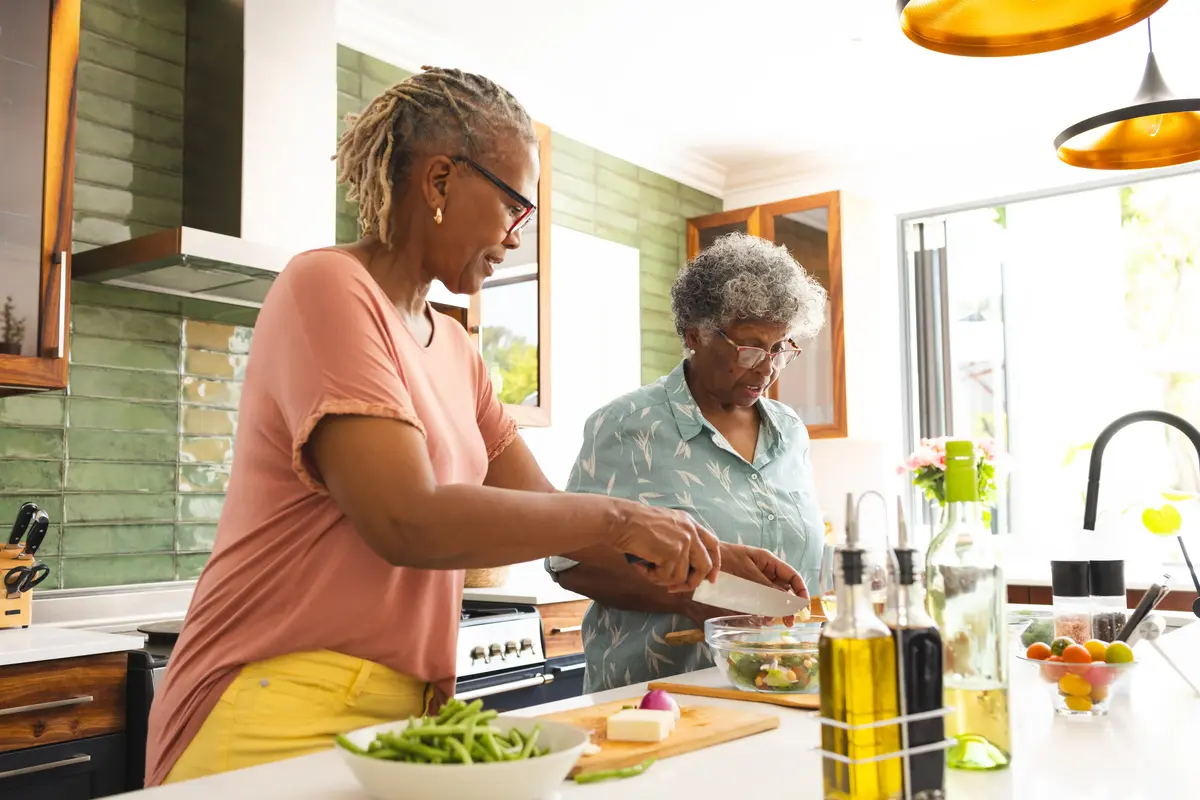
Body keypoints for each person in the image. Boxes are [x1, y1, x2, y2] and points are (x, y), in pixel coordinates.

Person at [144, 66, 761, 785]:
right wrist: (625, 518)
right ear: (439, 181)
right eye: (513, 208)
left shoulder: (458, 349)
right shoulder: (328, 287)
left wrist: (712, 571)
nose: (516, 238)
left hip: (404, 720)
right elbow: (405, 519)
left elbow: (560, 529)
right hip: (272, 704)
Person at [546, 233, 828, 692]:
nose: (767, 368)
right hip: (657, 697)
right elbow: (568, 560)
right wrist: (695, 597)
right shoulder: (627, 423)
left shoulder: (789, 430)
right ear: (696, 333)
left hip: (777, 690)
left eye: (781, 348)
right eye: (752, 347)